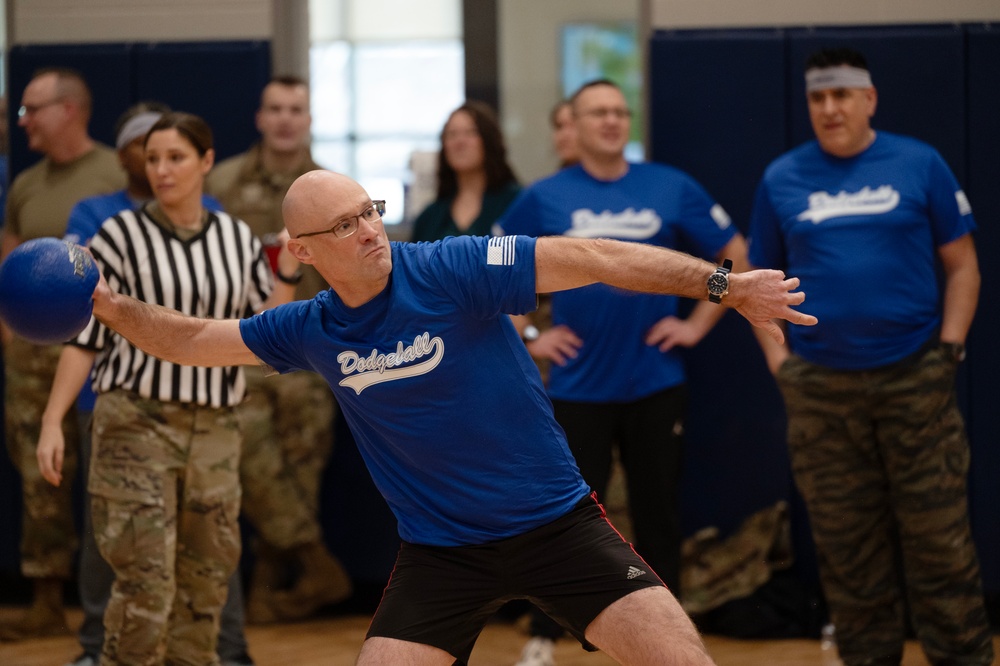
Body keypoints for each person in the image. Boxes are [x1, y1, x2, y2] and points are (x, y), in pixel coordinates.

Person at [54, 168, 816, 665]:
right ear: (305, 254)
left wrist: (725, 284)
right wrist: (109, 308)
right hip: (441, 555)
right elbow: (191, 339)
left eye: (369, 211)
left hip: (556, 527)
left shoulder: (451, 268)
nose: (369, 231)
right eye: (345, 227)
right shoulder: (310, 327)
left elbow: (595, 257)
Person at [747, 47, 994, 666]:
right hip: (822, 393)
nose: (829, 109)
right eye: (817, 97)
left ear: (869, 98)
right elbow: (757, 283)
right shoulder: (781, 178)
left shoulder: (920, 163)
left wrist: (950, 351)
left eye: (841, 95)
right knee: (849, 554)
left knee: (941, 546)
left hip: (916, 381)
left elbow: (963, 266)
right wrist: (785, 369)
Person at [495, 79, 749, 666]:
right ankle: (544, 630)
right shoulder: (545, 196)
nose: (611, 121)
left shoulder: (669, 186)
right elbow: (490, 272)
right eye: (597, 113)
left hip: (656, 385)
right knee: (563, 518)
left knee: (659, 514)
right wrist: (533, 336)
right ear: (574, 125)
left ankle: (675, 639)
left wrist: (696, 324)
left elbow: (735, 253)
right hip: (579, 388)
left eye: (619, 111)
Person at [35, 112, 300, 665]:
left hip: (216, 431)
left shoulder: (236, 238)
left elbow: (265, 332)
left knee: (205, 589)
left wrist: (290, 274)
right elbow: (84, 339)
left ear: (205, 162)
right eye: (152, 158)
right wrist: (52, 419)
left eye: (175, 157)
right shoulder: (118, 235)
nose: (161, 170)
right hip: (136, 421)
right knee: (143, 587)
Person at [206, 74, 352, 623]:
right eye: (276, 108)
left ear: (308, 120)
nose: (286, 118)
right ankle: (314, 561)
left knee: (301, 458)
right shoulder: (222, 182)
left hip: (318, 346)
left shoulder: (333, 189)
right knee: (249, 444)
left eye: (297, 109)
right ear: (260, 118)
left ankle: (271, 581)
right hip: (244, 343)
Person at [0, 66, 124, 642]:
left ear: (68, 110)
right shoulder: (25, 183)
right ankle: (46, 595)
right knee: (37, 474)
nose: (22, 121)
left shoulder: (113, 173)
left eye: (32, 109)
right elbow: (7, 258)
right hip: (29, 356)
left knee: (106, 472)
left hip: (96, 351)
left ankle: (110, 602)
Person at [409, 100, 520, 242]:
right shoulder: (428, 218)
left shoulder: (516, 204)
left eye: (470, 132)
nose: (459, 142)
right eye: (452, 134)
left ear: (489, 140)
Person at [549, 99, 579, 170]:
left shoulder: (607, 178)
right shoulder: (554, 180)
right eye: (559, 126)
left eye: (573, 126)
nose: (564, 135)